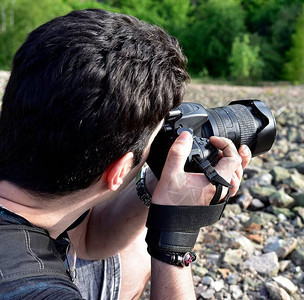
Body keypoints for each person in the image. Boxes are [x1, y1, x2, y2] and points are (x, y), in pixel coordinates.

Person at [0, 9, 251, 300]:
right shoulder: (34, 291)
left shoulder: (29, 166)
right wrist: (174, 238)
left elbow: (89, 239)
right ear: (118, 171)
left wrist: (152, 187)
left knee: (131, 257)